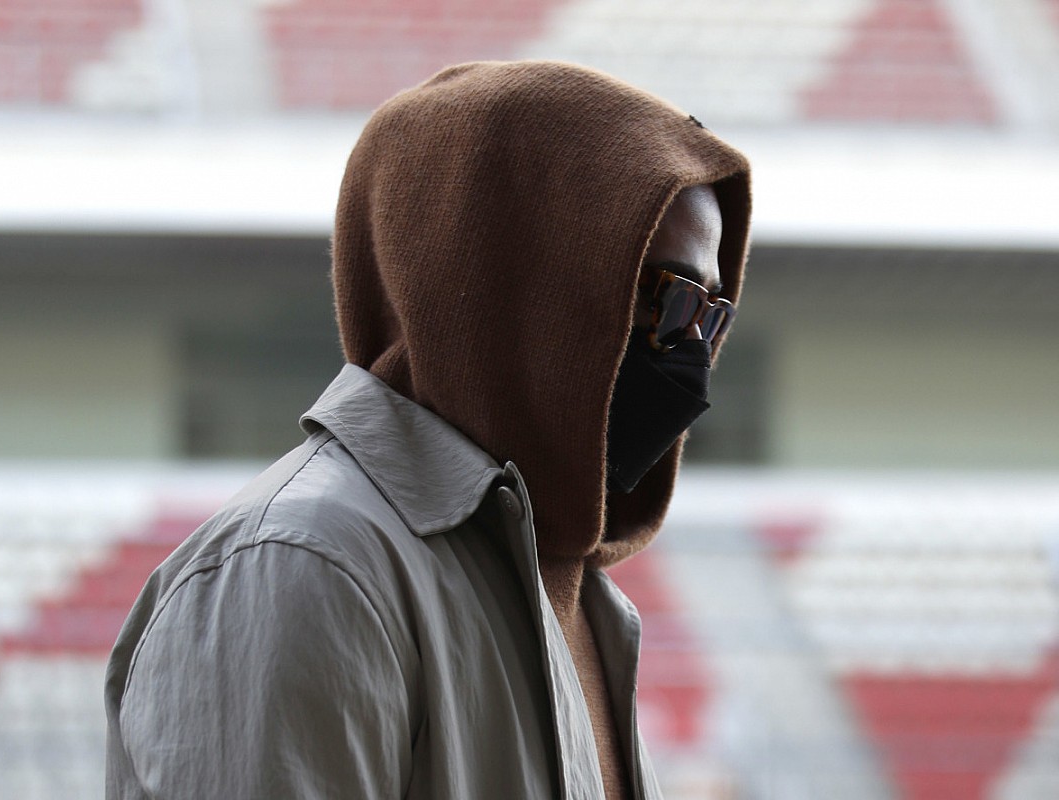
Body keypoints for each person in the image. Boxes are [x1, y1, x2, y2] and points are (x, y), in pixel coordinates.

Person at [105, 60, 751, 799]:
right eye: (666, 296)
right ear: (517, 276)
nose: (689, 349)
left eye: (711, 313)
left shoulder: (579, 602)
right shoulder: (302, 567)